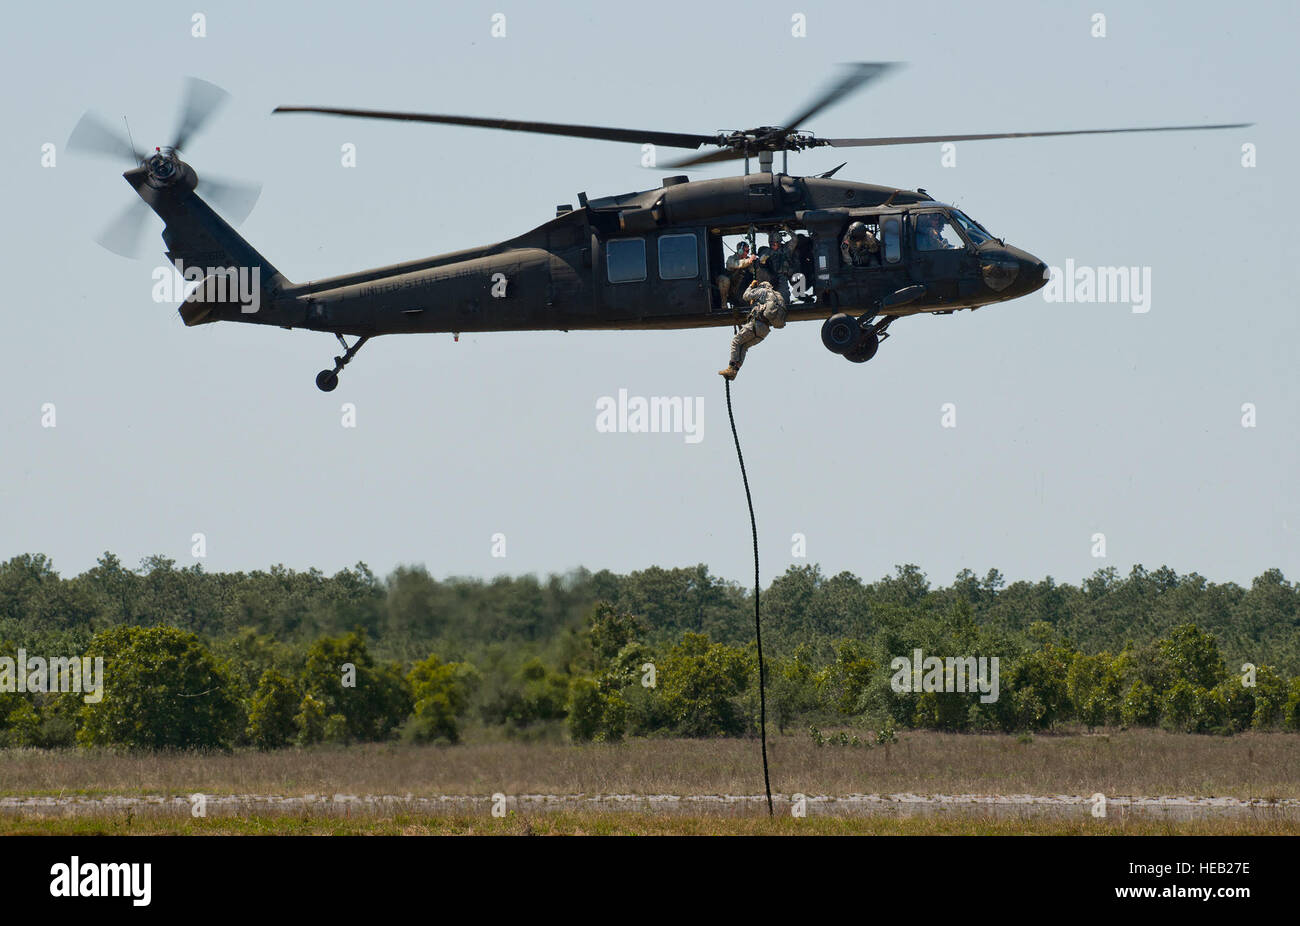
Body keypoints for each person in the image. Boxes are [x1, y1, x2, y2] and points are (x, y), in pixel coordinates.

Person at [719, 278, 788, 380]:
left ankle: (731, 367)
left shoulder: (762, 291)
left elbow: (745, 296)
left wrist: (751, 286)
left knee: (736, 342)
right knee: (744, 346)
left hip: (756, 324)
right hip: (764, 330)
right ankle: (735, 371)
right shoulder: (777, 296)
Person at [716, 240, 756, 307]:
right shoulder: (731, 259)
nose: (747, 253)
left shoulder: (748, 260)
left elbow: (753, 271)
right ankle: (724, 305)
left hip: (739, 288)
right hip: (729, 286)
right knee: (724, 280)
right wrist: (749, 261)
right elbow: (738, 264)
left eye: (748, 251)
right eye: (746, 251)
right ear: (740, 251)